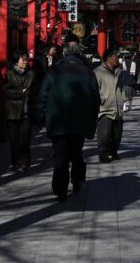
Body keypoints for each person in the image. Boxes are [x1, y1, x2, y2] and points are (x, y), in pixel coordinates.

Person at [38, 38, 100, 202]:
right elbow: (96, 97)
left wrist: (42, 112)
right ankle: (77, 180)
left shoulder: (54, 71)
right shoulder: (87, 72)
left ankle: (60, 189)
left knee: (60, 155)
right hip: (80, 121)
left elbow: (43, 94)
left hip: (58, 120)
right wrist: (93, 117)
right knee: (77, 152)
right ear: (78, 53)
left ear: (64, 53)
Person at [4, 50, 34, 172]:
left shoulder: (31, 74)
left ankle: (25, 162)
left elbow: (34, 89)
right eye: (23, 60)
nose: (25, 62)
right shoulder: (9, 74)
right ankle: (15, 162)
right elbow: (6, 91)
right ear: (16, 61)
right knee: (13, 139)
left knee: (25, 139)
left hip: (26, 110)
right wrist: (20, 93)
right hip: (13, 110)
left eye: (26, 59)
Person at [94, 49, 124, 163]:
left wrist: (123, 98)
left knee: (117, 134)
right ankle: (103, 154)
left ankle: (113, 152)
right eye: (115, 56)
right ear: (108, 58)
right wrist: (101, 100)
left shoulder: (119, 71)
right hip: (104, 108)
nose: (117, 59)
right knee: (104, 134)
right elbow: (95, 89)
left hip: (117, 107)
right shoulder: (98, 71)